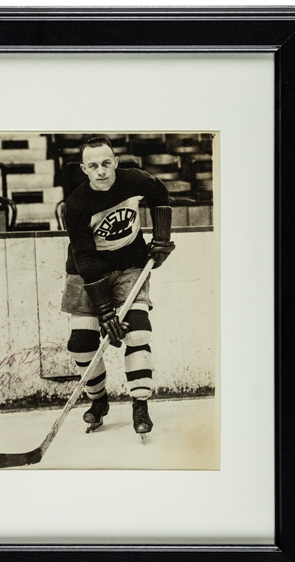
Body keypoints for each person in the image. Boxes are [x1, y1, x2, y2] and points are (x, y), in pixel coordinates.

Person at [61, 137, 175, 436]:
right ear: (84, 169)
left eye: (107, 163)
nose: (102, 171)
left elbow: (160, 194)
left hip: (130, 265)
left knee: (137, 331)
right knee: (82, 344)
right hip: (86, 273)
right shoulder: (75, 205)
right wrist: (104, 309)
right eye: (94, 166)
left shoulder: (134, 179)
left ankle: (140, 404)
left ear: (116, 162)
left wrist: (161, 238)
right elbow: (84, 256)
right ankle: (98, 402)